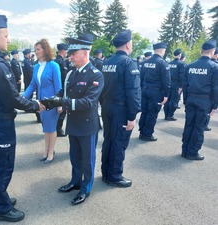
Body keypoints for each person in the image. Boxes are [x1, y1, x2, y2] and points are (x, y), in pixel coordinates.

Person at [0, 15, 43, 222]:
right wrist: (36, 106)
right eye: (5, 35)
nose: (8, 39)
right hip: (0, 122)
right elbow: (12, 97)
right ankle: (1, 208)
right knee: (2, 165)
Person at [41, 33, 104, 205]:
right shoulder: (72, 74)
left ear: (84, 53)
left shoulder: (95, 75)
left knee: (87, 159)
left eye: (73, 54)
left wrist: (61, 102)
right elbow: (63, 93)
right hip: (74, 123)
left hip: (87, 125)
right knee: (75, 156)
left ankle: (86, 188)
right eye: (69, 54)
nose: (70, 57)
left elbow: (89, 102)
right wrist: (50, 100)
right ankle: (75, 181)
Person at [100, 30, 141, 188]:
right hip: (121, 109)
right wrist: (132, 116)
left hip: (107, 106)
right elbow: (133, 92)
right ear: (128, 44)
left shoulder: (107, 62)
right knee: (119, 142)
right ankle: (115, 176)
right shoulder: (128, 63)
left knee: (109, 139)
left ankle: (106, 173)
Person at [23, 39, 61, 163]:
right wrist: (23, 98)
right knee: (45, 128)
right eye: (35, 49)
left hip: (51, 103)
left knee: (51, 128)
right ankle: (46, 150)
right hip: (41, 103)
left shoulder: (53, 65)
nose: (36, 52)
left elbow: (58, 87)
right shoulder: (36, 67)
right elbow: (33, 84)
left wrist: (59, 104)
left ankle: (51, 152)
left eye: (38, 49)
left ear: (45, 50)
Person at [182, 40, 218, 160]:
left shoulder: (190, 65)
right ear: (213, 52)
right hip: (204, 101)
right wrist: (215, 105)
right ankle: (192, 152)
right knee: (198, 127)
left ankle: (185, 150)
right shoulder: (214, 67)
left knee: (189, 125)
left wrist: (186, 100)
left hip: (191, 99)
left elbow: (185, 85)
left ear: (201, 51)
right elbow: (215, 88)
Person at [138, 42, 170, 141]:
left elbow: (141, 78)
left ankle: (142, 131)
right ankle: (147, 134)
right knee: (152, 113)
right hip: (156, 92)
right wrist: (166, 95)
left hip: (145, 90)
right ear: (161, 50)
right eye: (164, 50)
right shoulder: (162, 63)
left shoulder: (144, 62)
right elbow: (166, 81)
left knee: (144, 112)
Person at [164, 48, 185, 121]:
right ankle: (170, 115)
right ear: (180, 55)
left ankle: (166, 115)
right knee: (174, 100)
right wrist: (181, 86)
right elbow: (182, 76)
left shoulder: (169, 63)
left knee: (167, 100)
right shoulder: (181, 64)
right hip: (176, 85)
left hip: (168, 84)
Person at [54, 43, 69, 137]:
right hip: (60, 89)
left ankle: (56, 128)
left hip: (60, 89)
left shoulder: (58, 61)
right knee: (61, 111)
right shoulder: (59, 62)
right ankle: (58, 129)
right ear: (63, 51)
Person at [205, 47, 218, 131]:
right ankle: (205, 124)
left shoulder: (194, 64)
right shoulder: (215, 66)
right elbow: (215, 86)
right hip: (208, 97)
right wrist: (215, 105)